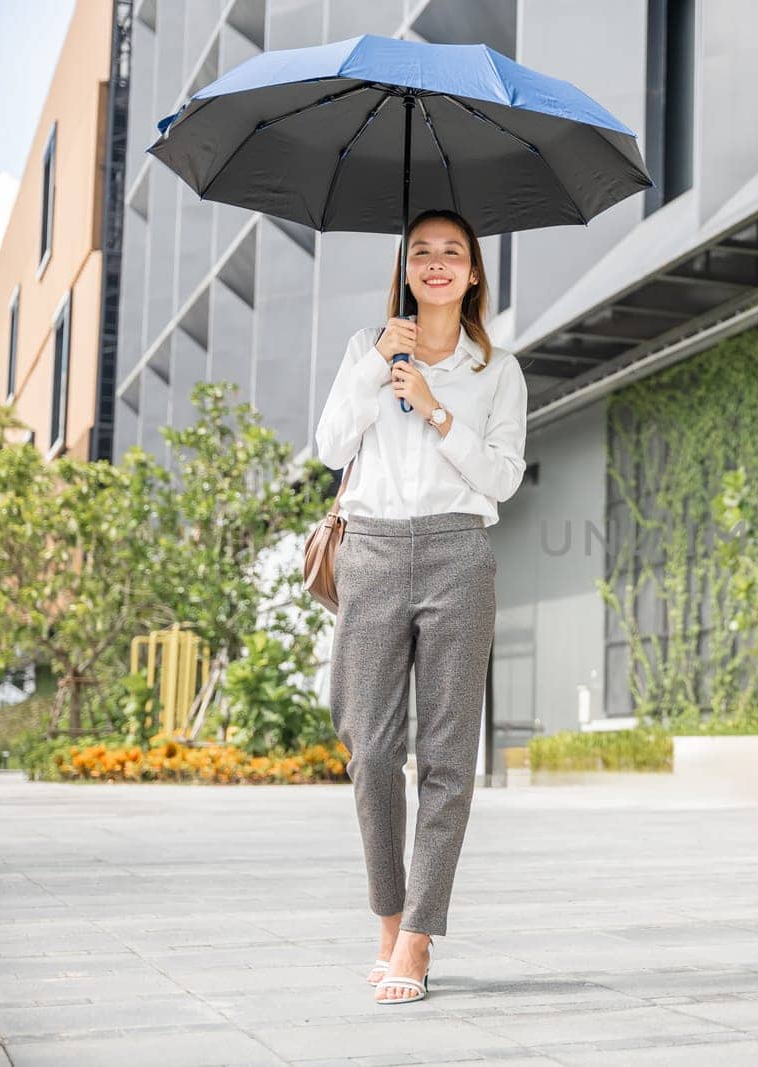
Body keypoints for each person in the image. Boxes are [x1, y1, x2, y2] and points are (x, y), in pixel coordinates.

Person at [314, 208, 527, 1004]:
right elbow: (331, 447)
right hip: (369, 548)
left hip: (457, 552)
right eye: (421, 252)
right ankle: (387, 914)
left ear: (473, 274)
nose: (436, 263)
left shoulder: (496, 369)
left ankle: (416, 937)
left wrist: (437, 409)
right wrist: (376, 366)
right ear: (406, 269)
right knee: (368, 748)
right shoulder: (366, 349)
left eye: (453, 253)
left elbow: (503, 477)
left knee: (445, 757)